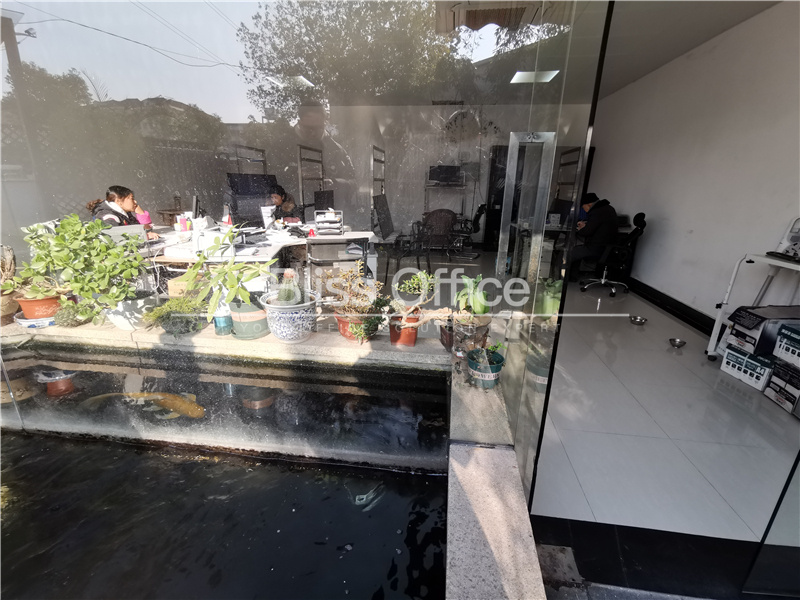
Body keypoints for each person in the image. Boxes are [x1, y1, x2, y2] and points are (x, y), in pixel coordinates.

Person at [569, 192, 618, 280]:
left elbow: (586, 232)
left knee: (569, 252)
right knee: (577, 250)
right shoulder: (609, 208)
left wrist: (581, 229)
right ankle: (572, 276)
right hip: (607, 247)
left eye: (583, 207)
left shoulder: (596, 212)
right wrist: (586, 225)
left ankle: (562, 278)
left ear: (589, 205)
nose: (583, 209)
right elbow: (599, 225)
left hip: (596, 248)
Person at [86, 186, 158, 240]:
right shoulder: (108, 217)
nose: (135, 201)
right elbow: (116, 238)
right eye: (131, 198)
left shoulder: (124, 213)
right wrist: (144, 236)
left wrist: (141, 214)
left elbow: (141, 229)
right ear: (119, 201)